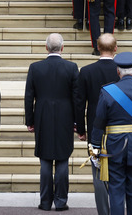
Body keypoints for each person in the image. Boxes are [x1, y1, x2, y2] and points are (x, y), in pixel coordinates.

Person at [90, 51, 132, 215]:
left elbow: (99, 122)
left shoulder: (107, 91)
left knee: (116, 191)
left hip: (115, 147)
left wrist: (95, 147)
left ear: (118, 71)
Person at [24, 33, 81, 211]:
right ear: (62, 48)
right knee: (63, 159)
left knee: (45, 159)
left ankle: (46, 201)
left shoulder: (35, 67)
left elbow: (29, 97)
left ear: (46, 47)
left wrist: (30, 120)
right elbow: (77, 99)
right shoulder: (71, 67)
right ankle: (61, 201)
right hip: (65, 116)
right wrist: (78, 123)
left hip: (43, 115)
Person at [75, 33, 121, 215]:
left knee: (97, 173)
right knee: (117, 171)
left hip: (95, 127)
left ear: (98, 47)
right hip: (118, 126)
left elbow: (80, 103)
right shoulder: (122, 69)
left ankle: (103, 211)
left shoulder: (86, 71)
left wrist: (81, 129)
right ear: (115, 48)